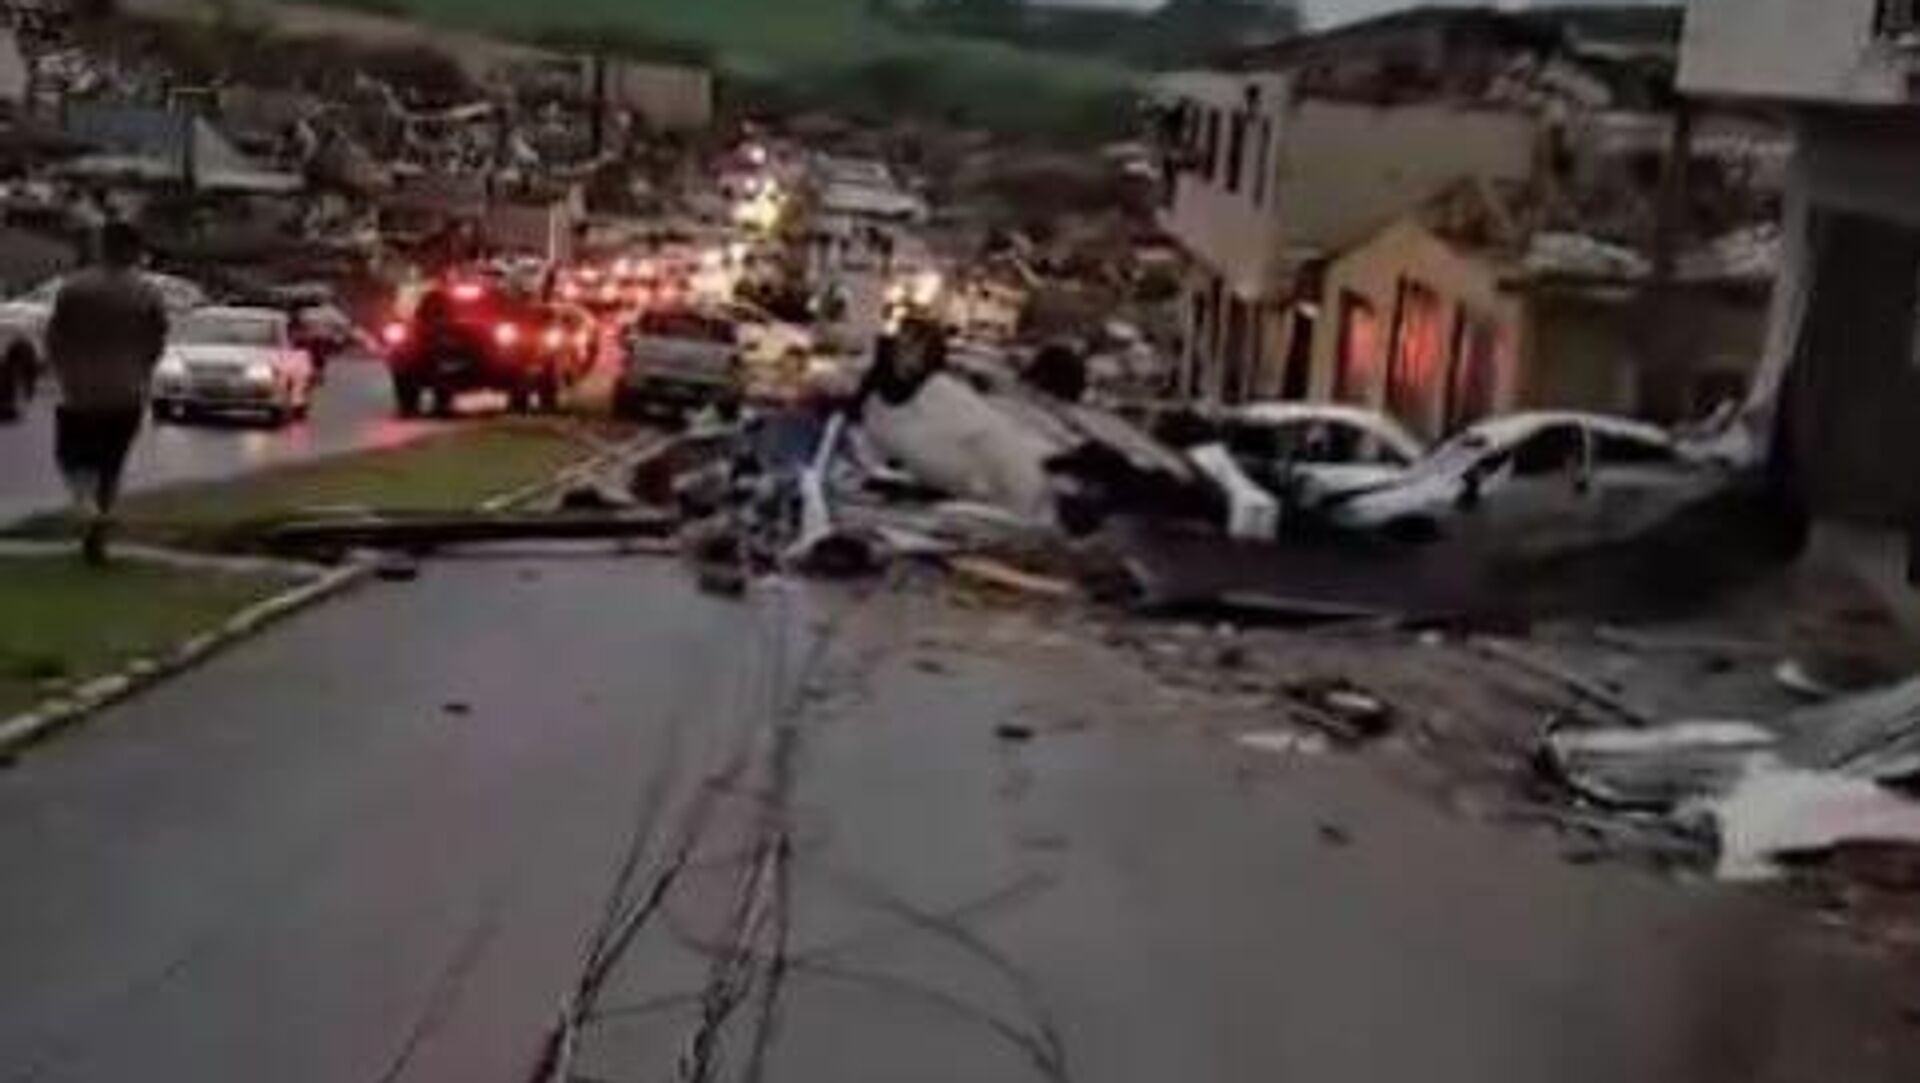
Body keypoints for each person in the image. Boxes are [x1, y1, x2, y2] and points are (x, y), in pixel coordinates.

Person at [45, 222, 168, 565]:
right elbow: (157, 341)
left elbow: (56, 336)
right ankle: (96, 539)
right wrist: (141, 371)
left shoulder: (75, 288)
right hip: (127, 393)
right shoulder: (148, 293)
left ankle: (86, 508)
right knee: (110, 465)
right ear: (134, 250)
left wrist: (62, 370)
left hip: (80, 391)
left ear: (103, 246)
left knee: (71, 458)